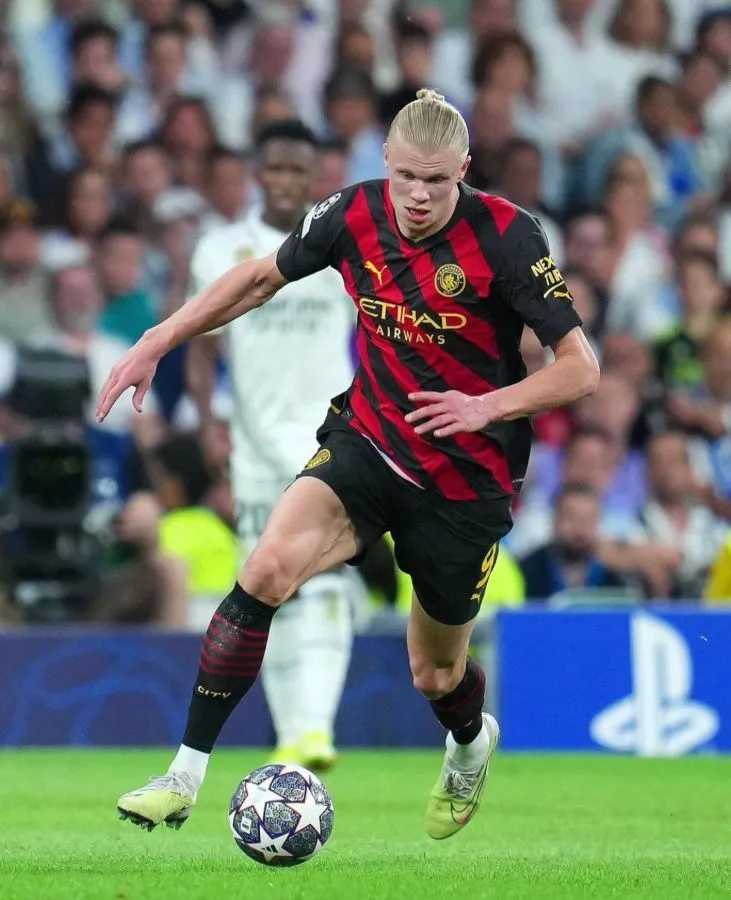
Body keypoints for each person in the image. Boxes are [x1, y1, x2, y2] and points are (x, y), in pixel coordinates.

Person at [98, 89, 599, 841]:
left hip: (464, 482)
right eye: (405, 177)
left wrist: (484, 406)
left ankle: (468, 742)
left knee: (434, 675)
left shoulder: (507, 235)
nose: (419, 196)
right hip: (368, 442)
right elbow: (260, 275)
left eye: (436, 180)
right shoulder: (351, 213)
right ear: (384, 165)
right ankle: (183, 774)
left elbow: (579, 368)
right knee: (265, 569)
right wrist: (158, 338)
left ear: (463, 168)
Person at [184, 120, 356, 770]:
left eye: (297, 170)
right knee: (262, 591)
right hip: (254, 448)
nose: (285, 181)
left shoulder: (341, 249)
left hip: (329, 444)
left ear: (314, 179)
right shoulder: (221, 248)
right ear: (259, 174)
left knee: (327, 584)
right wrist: (208, 423)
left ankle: (317, 727)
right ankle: (292, 733)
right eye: (275, 168)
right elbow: (203, 345)